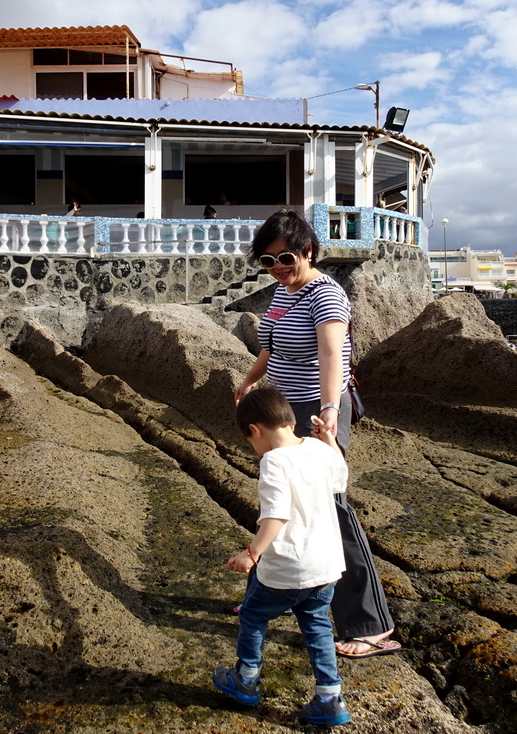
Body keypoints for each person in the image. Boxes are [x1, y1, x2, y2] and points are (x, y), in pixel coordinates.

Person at [234, 209, 400, 659]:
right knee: (278, 497)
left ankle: (370, 624)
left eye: (285, 258)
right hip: (283, 408)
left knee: (330, 508)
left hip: (317, 410)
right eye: (267, 262)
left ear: (308, 251)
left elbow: (332, 356)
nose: (278, 269)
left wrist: (328, 411)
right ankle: (267, 594)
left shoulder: (327, 296)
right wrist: (251, 380)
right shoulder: (282, 295)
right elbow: (270, 344)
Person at [213, 387, 351, 727]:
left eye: (250, 441)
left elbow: (276, 514)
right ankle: (329, 698)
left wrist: (252, 553)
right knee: (317, 626)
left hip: (289, 567)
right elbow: (341, 479)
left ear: (255, 430)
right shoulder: (317, 448)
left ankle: (245, 679)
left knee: (253, 617)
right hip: (327, 566)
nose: (254, 448)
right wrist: (329, 440)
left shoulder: (273, 460)